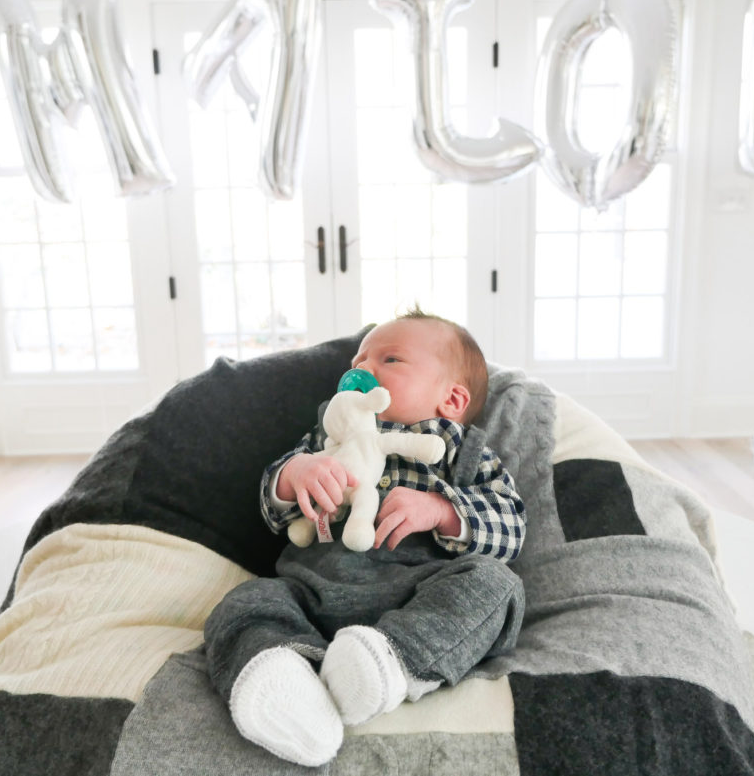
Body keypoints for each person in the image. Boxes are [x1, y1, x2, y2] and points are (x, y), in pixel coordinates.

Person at [204, 308, 527, 766]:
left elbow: (512, 524)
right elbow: (272, 511)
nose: (361, 370)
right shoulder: (328, 436)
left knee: (497, 585)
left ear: (452, 400)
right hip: (312, 592)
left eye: (390, 360)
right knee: (244, 603)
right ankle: (279, 678)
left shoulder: (462, 451)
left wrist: (441, 510)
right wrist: (296, 474)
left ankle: (388, 664)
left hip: (420, 593)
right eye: (357, 362)